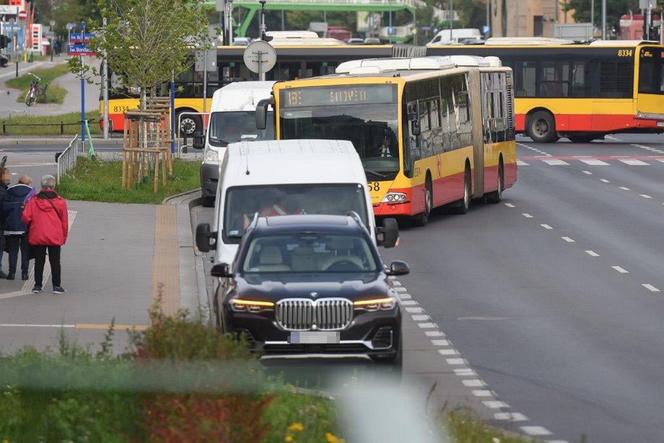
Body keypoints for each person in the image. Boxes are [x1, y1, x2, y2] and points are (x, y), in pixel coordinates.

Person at [21, 175, 68, 294]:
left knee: (39, 261)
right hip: (54, 236)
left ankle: (37, 285)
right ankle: (56, 286)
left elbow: (26, 218)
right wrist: (63, 237)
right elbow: (64, 222)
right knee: (55, 261)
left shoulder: (33, 200)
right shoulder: (60, 202)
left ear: (42, 186)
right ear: (53, 186)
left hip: (38, 235)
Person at [2, 175, 33, 280]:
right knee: (25, 251)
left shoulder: (9, 191)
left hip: (11, 226)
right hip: (26, 226)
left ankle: (11, 273)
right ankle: (24, 273)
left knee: (13, 250)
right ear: (28, 183)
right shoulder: (31, 192)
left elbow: (4, 207)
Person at [0, 167, 10, 279]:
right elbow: (3, 208)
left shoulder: (3, 190)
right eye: (7, 174)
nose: (10, 176)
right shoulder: (2, 191)